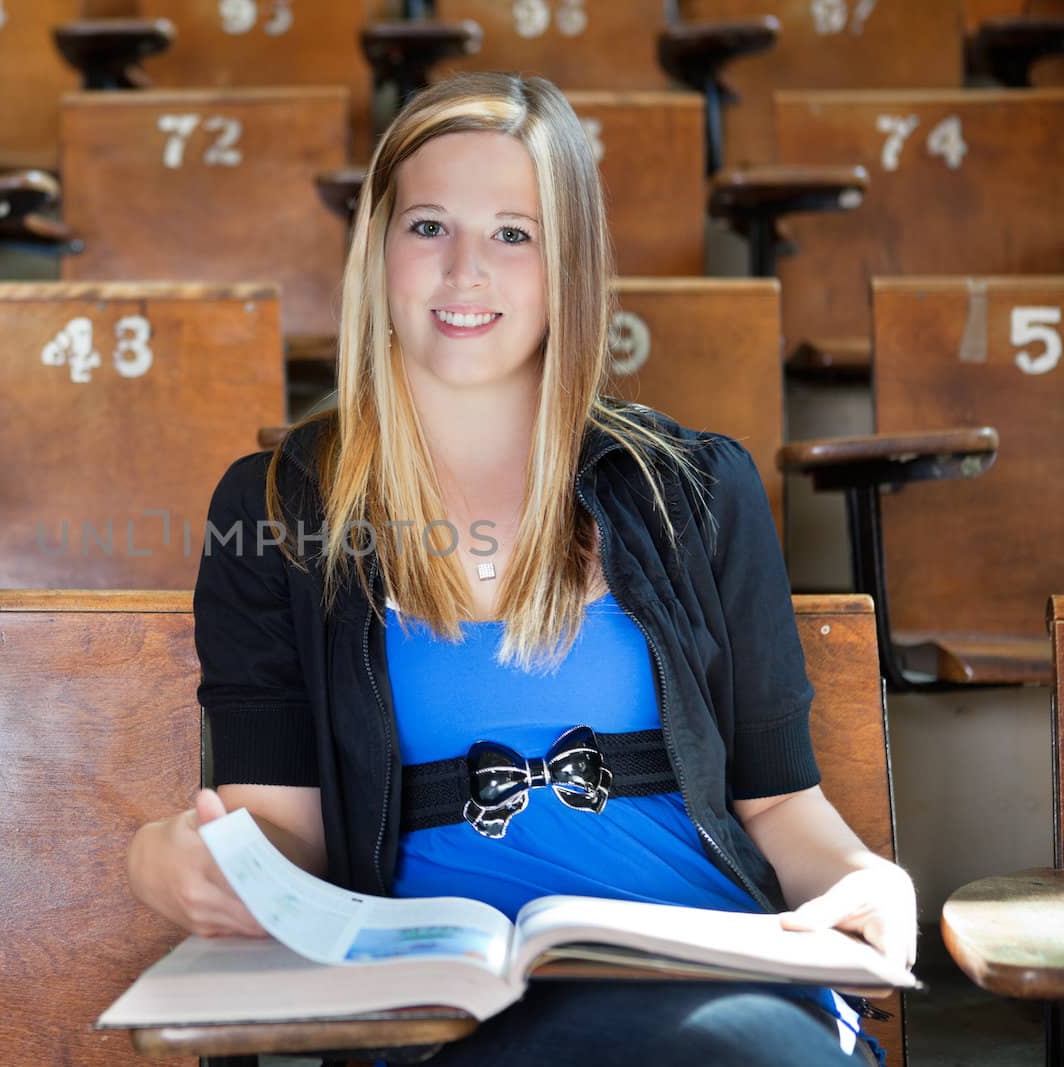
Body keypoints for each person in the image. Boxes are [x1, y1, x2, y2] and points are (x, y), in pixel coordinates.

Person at [127, 72, 916, 1066]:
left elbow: (778, 800)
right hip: (441, 1008)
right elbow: (285, 832)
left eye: (513, 232)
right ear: (376, 250)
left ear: (568, 267)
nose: (467, 270)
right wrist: (179, 861)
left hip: (709, 970)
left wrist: (862, 878)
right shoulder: (280, 507)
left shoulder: (692, 488)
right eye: (428, 228)